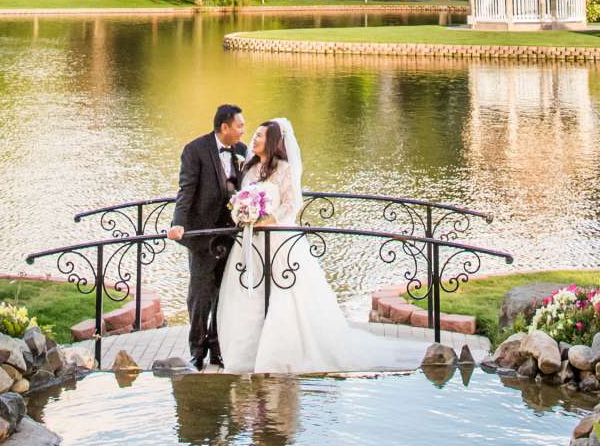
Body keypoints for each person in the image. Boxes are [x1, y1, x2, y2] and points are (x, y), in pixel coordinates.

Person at [214, 114, 415, 372]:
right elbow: (242, 197)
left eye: (260, 135)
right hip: (251, 241)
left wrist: (269, 219)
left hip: (280, 240)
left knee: (285, 295)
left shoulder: (284, 169)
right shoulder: (249, 167)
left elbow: (292, 203)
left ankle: (280, 354)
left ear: (273, 141)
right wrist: (242, 212)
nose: (254, 137)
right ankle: (248, 354)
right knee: (249, 294)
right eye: (255, 134)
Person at [168, 100, 247, 368]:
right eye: (239, 126)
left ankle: (217, 347)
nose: (243, 131)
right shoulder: (195, 150)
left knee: (224, 294)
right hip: (202, 236)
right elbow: (186, 190)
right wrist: (178, 223)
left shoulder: (243, 151)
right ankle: (197, 348)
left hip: (230, 236)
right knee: (200, 295)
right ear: (224, 127)